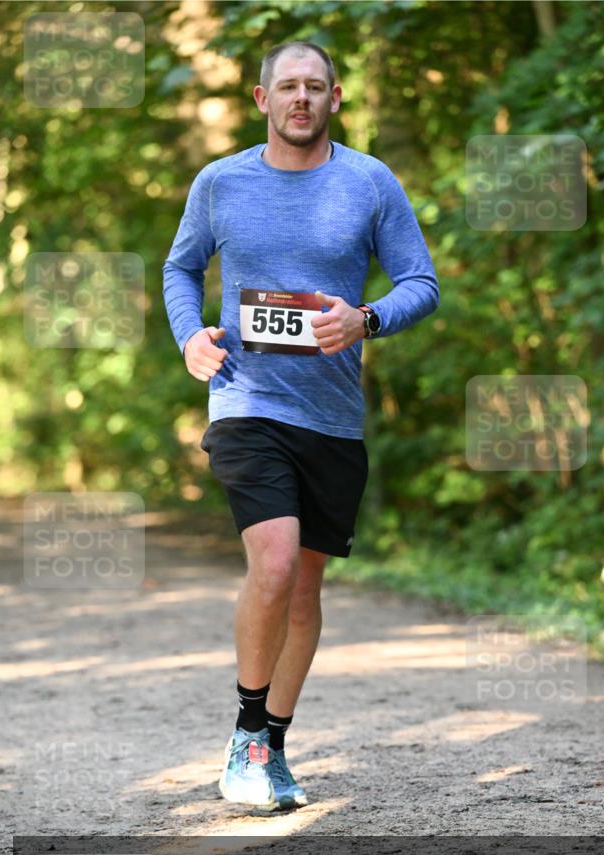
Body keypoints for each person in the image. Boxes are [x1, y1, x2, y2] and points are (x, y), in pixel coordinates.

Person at [162, 40, 439, 812]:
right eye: (287, 86)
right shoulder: (220, 182)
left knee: (305, 588)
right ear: (262, 99)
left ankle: (272, 743)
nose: (301, 99)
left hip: (332, 417)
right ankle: (246, 735)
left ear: (335, 97)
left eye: (315, 87)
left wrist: (367, 318)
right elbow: (180, 268)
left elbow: (421, 281)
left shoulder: (369, 182)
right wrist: (189, 336)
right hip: (246, 401)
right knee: (276, 563)